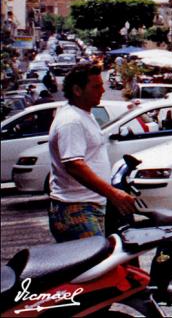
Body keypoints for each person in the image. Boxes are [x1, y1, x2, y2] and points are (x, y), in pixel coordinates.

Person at [47, 64, 135, 242]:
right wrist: (113, 193)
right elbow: (74, 165)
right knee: (97, 259)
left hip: (88, 206)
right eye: (96, 86)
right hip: (76, 210)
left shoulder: (85, 115)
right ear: (77, 90)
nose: (102, 90)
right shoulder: (71, 121)